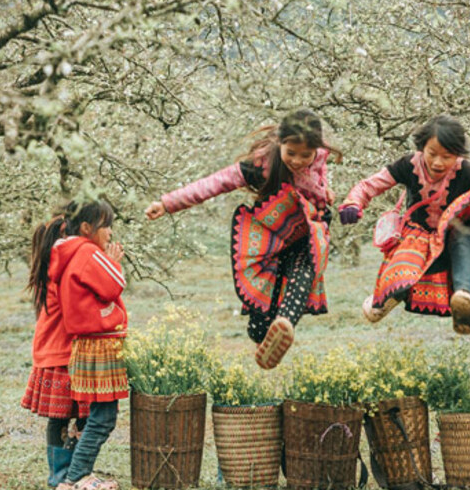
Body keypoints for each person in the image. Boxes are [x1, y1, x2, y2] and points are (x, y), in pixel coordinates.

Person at [145, 109, 339, 369]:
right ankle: (263, 333)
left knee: (304, 273)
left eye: (306, 155)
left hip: (306, 233)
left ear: (317, 149)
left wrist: (325, 193)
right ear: (279, 143)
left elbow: (318, 178)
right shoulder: (262, 165)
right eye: (290, 153)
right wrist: (168, 203)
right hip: (271, 233)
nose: (298, 161)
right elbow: (215, 183)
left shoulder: (318, 158)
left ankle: (285, 322)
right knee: (261, 310)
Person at [339, 115, 470, 334]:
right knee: (408, 264)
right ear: (422, 148)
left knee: (463, 236)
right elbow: (371, 185)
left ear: (458, 155)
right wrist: (353, 203)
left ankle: (463, 298)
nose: (437, 162)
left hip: (452, 236)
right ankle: (385, 299)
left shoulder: (466, 172)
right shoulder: (408, 165)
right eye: (432, 154)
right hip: (417, 237)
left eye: (447, 156)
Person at [51, 200, 129, 490]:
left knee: (99, 414)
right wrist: (113, 263)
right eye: (106, 225)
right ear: (86, 227)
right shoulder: (86, 252)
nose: (109, 233)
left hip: (87, 344)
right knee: (104, 416)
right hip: (99, 344)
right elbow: (113, 285)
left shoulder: (69, 253)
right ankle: (76, 477)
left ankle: (74, 475)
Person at [20, 204, 89, 489]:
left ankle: (64, 474)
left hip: (55, 352)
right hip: (63, 353)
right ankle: (67, 474)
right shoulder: (60, 273)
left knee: (62, 417)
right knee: (73, 415)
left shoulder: (47, 269)